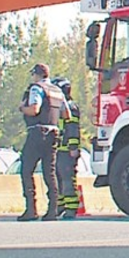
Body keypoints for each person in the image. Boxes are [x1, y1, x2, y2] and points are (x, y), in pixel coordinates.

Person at [18, 63, 69, 222]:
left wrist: (22, 108)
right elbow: (66, 114)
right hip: (53, 133)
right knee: (50, 172)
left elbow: (34, 109)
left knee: (26, 169)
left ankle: (31, 209)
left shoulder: (36, 88)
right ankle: (52, 210)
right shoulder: (57, 91)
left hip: (37, 132)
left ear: (36, 74)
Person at [52, 78, 81, 219]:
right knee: (57, 179)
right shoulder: (60, 107)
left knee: (67, 178)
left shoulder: (71, 107)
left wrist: (73, 147)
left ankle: (71, 208)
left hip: (67, 150)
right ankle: (60, 205)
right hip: (58, 149)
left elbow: (73, 129)